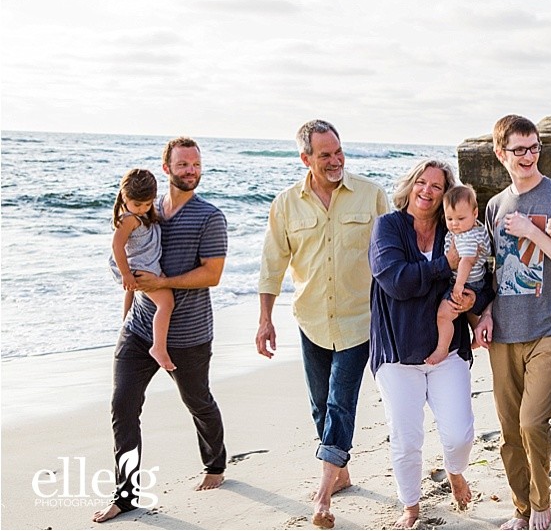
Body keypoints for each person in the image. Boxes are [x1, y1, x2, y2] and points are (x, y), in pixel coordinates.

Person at [256, 119, 389, 529]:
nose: (336, 161)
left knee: (339, 401)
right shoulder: (285, 204)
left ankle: (323, 493)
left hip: (360, 319)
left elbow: (390, 256)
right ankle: (341, 471)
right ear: (306, 158)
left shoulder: (371, 194)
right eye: (325, 155)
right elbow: (272, 264)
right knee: (319, 404)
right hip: (311, 318)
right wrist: (265, 319)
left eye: (339, 151)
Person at [93, 137, 228, 523]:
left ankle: (215, 464)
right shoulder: (147, 210)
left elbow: (212, 274)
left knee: (198, 401)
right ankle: (125, 495)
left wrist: (162, 282)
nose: (191, 171)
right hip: (139, 328)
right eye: (183, 164)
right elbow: (129, 258)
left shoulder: (210, 217)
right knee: (123, 405)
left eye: (196, 164)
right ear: (166, 168)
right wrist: (127, 311)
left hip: (188, 334)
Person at [474, 114, 551, 531]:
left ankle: (542, 503)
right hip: (504, 332)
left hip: (550, 327)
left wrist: (536, 233)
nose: (528, 156)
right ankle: (521, 510)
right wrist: (485, 313)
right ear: (500, 153)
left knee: (532, 422)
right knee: (509, 431)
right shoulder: (494, 206)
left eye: (534, 147)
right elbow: (495, 273)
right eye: (519, 149)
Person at [369, 159, 494, 529]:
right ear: (410, 185)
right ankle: (410, 506)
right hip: (397, 352)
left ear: (445, 196)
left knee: (459, 435)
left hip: (448, 350)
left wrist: (472, 300)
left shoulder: (454, 228)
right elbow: (396, 281)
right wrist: (445, 264)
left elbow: (481, 278)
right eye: (421, 182)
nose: (427, 190)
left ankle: (455, 470)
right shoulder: (388, 226)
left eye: (436, 186)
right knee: (406, 439)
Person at [109, 168, 176, 372]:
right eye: (137, 204)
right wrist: (126, 274)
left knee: (131, 293)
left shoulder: (144, 213)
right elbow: (117, 246)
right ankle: (159, 347)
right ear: (125, 197)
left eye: (147, 204)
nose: (142, 209)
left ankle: (126, 323)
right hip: (139, 269)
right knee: (166, 303)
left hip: (145, 264)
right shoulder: (128, 219)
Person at [427, 184, 490, 366]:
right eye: (450, 218)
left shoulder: (467, 236)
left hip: (466, 281)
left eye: (461, 218)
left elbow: (466, 261)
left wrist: (458, 286)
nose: (455, 224)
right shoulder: (477, 229)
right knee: (468, 310)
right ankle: (477, 333)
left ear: (475, 213)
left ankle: (442, 348)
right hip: (477, 279)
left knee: (444, 315)